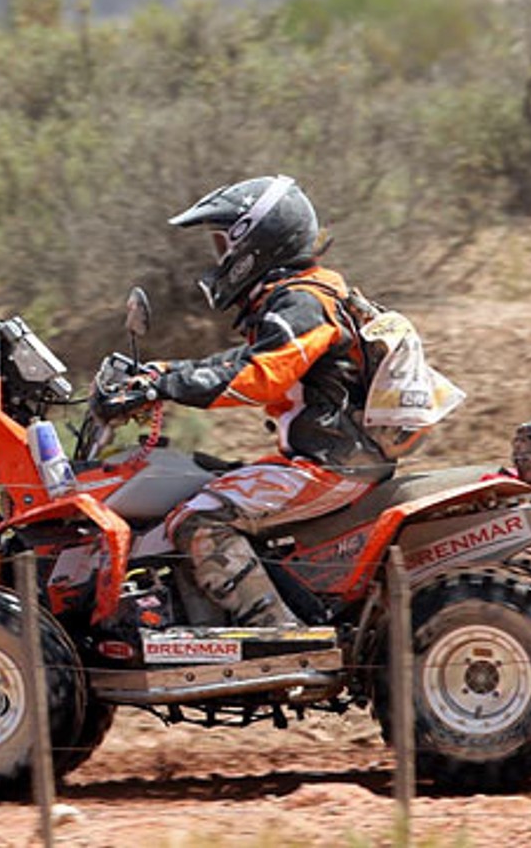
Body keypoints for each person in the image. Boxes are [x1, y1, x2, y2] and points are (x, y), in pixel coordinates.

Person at [98, 174, 388, 627]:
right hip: (329, 458)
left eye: (224, 246)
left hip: (331, 466)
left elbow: (260, 375)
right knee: (206, 477)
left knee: (200, 519)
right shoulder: (303, 295)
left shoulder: (304, 302)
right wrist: (165, 373)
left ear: (257, 243)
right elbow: (249, 358)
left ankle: (276, 634)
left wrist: (164, 386)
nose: (222, 259)